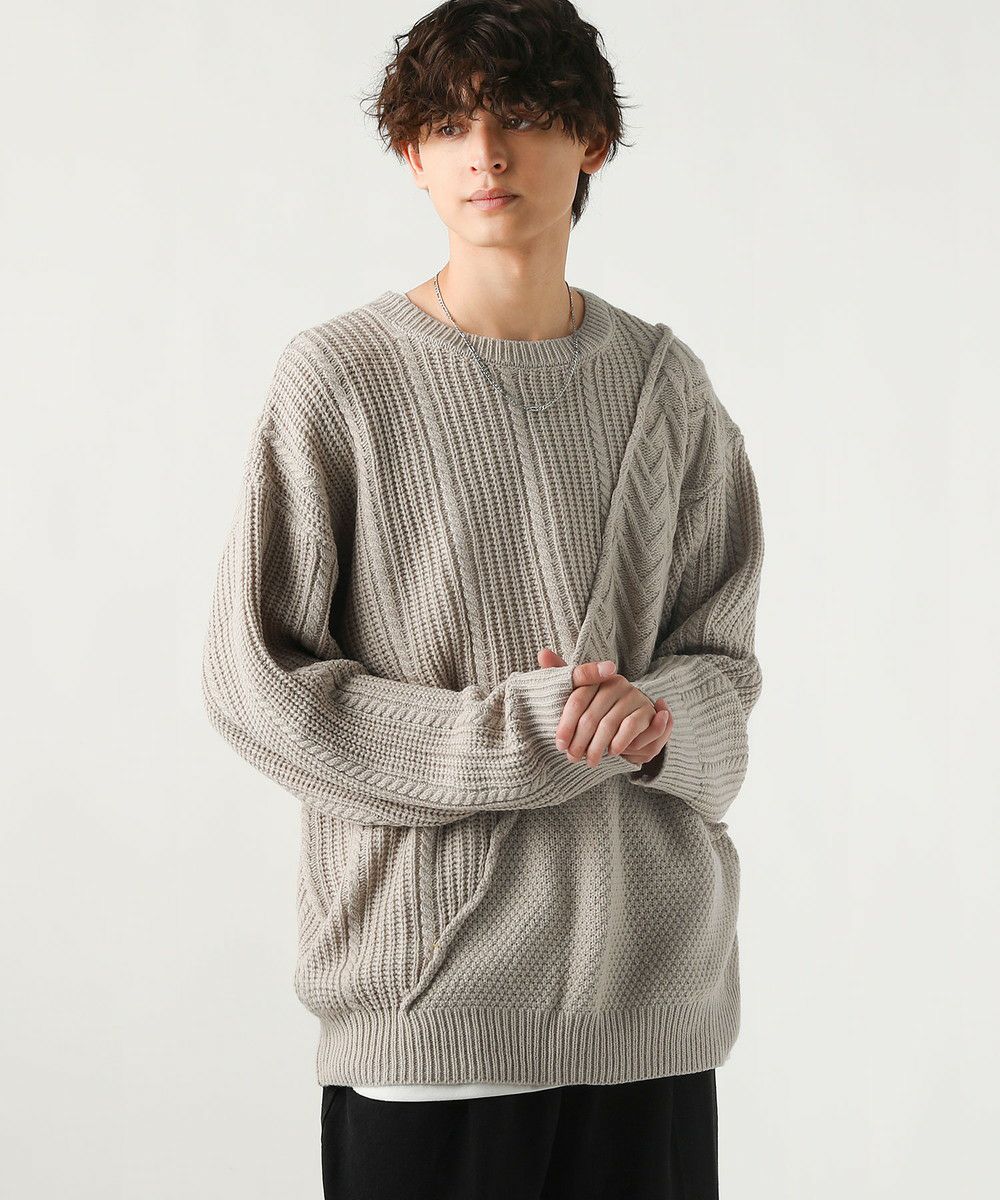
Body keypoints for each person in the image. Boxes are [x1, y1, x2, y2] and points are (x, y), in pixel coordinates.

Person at [200, 0, 765, 1195]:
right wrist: (524, 734)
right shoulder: (341, 379)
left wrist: (657, 725)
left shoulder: (666, 389)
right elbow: (261, 687)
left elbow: (725, 666)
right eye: (448, 125)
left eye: (521, 117)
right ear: (411, 155)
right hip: (434, 1006)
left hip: (653, 1006)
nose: (486, 153)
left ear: (592, 141)